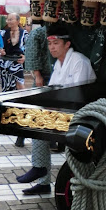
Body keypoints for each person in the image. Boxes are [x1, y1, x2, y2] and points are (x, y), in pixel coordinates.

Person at [17, 22, 96, 195]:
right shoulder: (58, 64)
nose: (52, 47)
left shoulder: (78, 61)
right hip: (65, 111)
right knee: (35, 121)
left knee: (40, 123)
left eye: (56, 43)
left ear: (67, 44)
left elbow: (77, 95)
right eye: (50, 44)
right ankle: (42, 178)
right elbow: (52, 91)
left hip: (81, 115)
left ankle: (41, 171)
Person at [0, 13, 27, 92]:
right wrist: (0, 50)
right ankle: (9, 102)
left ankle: (24, 101)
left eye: (11, 19)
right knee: (6, 85)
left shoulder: (24, 33)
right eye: (8, 19)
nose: (8, 21)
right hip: (5, 61)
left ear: (17, 21)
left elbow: (28, 47)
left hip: (17, 62)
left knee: (20, 83)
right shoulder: (3, 32)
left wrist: (25, 56)